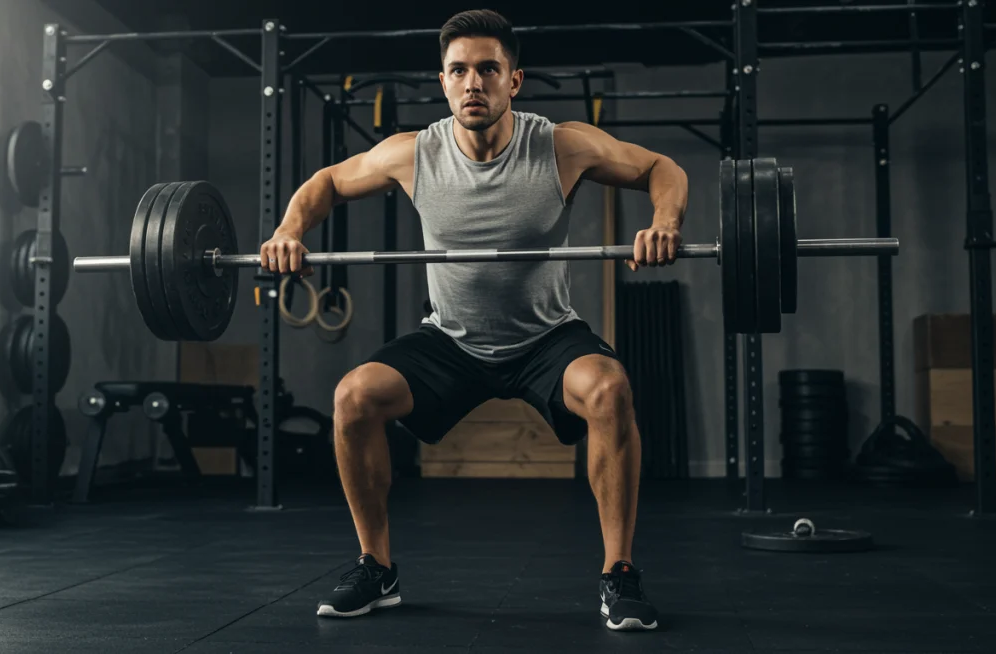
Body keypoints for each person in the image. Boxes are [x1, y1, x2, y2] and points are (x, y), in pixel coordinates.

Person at [259, 9, 687, 632]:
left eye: (488, 69)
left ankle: (618, 572)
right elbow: (328, 181)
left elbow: (660, 168)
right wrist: (288, 230)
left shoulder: (560, 146)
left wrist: (665, 223)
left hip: (545, 338)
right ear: (443, 81)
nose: (473, 83)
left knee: (609, 388)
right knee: (354, 397)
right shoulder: (415, 153)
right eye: (459, 71)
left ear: (514, 80)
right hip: (450, 340)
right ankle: (377, 567)